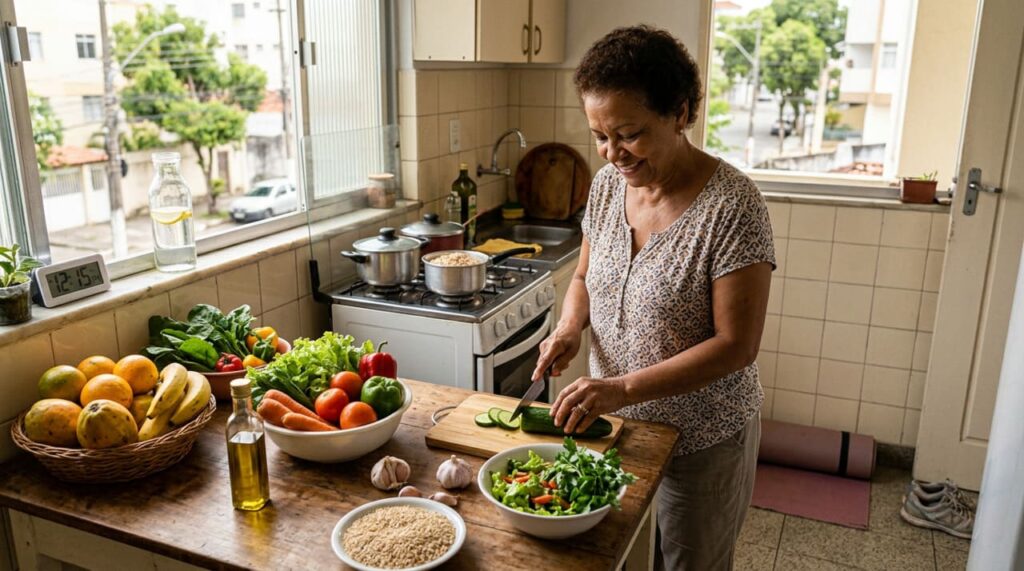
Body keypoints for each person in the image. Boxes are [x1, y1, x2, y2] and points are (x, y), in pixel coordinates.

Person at [532, 25, 775, 570]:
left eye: (629, 134)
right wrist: (569, 329)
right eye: (600, 136)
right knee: (618, 555)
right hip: (617, 429)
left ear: (679, 113)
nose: (612, 153)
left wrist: (621, 388)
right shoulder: (606, 186)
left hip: (701, 438)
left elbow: (737, 345)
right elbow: (583, 278)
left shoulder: (733, 207)